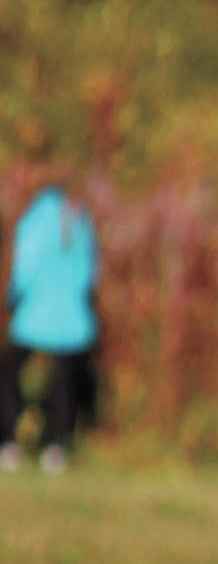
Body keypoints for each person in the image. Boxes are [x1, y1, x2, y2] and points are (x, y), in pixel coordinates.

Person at [0, 180, 102, 473]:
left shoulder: (34, 220)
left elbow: (26, 268)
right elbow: (90, 273)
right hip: (74, 318)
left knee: (8, 374)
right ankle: (57, 447)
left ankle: (8, 441)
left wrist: (12, 298)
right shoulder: (81, 221)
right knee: (64, 381)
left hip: (35, 314)